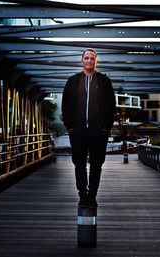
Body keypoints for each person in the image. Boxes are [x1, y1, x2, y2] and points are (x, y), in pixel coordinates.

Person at [61, 49, 116, 207]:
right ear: (82, 61)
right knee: (79, 164)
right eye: (86, 58)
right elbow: (66, 105)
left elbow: (111, 105)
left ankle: (92, 195)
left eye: (92, 58)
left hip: (98, 130)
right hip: (77, 131)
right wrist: (70, 127)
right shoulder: (72, 81)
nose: (89, 61)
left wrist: (106, 128)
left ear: (96, 61)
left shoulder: (104, 81)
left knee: (96, 164)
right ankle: (82, 194)